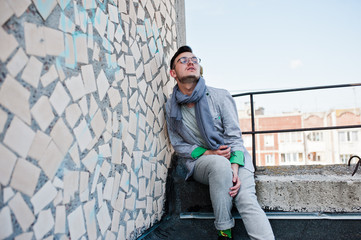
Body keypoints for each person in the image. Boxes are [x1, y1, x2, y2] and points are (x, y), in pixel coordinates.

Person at [165, 46, 275, 240]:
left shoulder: (220, 96)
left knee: (245, 198)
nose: (191, 62)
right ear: (173, 73)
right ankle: (224, 232)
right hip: (202, 162)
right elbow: (178, 144)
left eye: (194, 59)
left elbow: (235, 138)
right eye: (183, 60)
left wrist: (233, 169)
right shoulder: (171, 106)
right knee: (218, 163)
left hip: (234, 157)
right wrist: (209, 153)